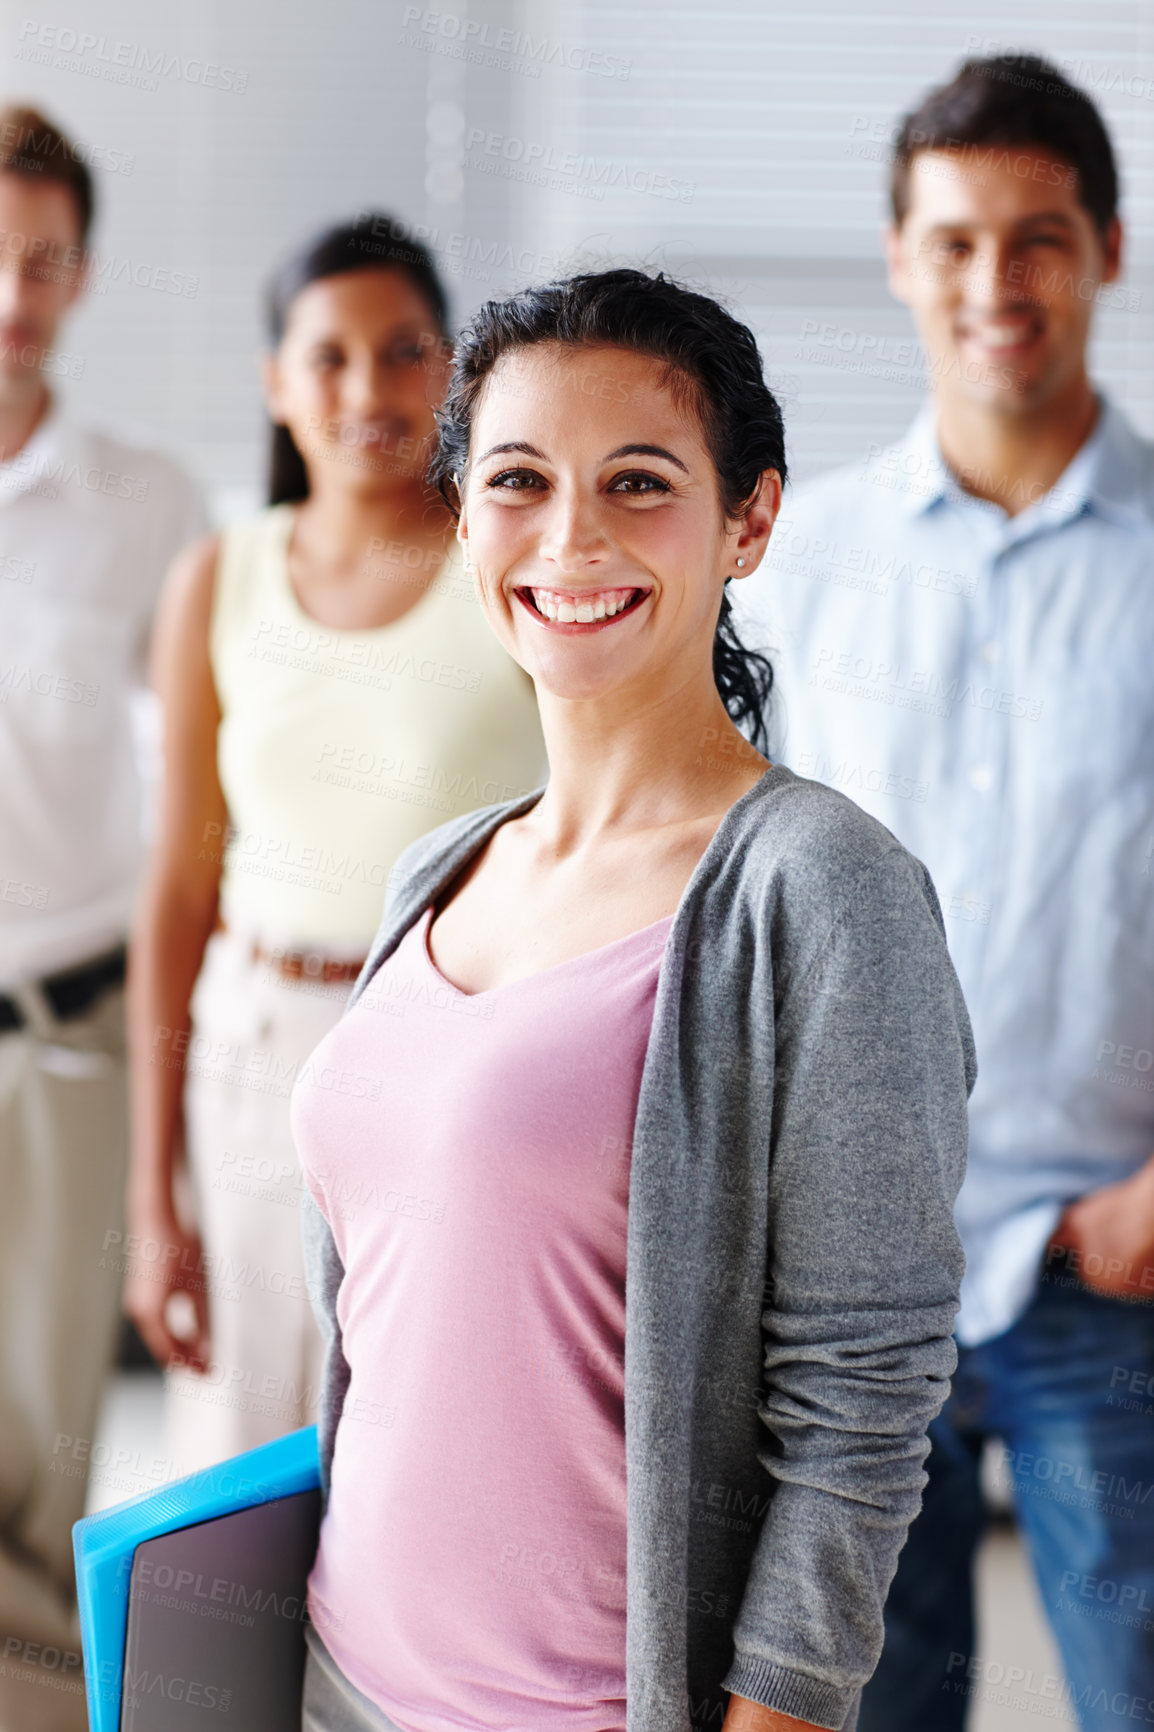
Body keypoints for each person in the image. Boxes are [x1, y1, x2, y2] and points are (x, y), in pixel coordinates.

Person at [290, 267, 976, 1732]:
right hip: (335, 1671)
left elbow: (861, 1407)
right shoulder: (439, 868)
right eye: (520, 481)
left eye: (639, 483)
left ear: (750, 520)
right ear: (464, 517)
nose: (573, 537)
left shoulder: (822, 892)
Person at [740, 55, 1154, 1730]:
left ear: (1104, 253)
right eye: (957, 241)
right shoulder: (795, 563)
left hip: (1098, 1272)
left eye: (1036, 239)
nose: (996, 285)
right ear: (899, 259)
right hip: (847, 1283)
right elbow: (729, 895)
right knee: (867, 1708)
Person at [124, 217, 545, 1473]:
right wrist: (154, 1200)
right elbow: (179, 886)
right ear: (276, 384)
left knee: (418, 1440)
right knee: (243, 1460)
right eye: (330, 358)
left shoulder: (507, 560)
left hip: (458, 1053)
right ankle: (238, 1685)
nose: (370, 390)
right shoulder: (218, 578)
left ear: (456, 370)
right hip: (254, 1061)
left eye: (406, 352)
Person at [0, 102, 206, 1731]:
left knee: (40, 1449)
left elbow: (201, 798)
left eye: (46, 260)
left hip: (59, 1045)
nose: (15, 293)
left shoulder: (144, 506)